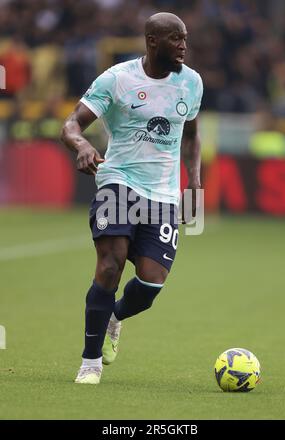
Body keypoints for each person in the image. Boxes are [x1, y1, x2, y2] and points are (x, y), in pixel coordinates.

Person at [61, 12, 203, 384]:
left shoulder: (191, 83)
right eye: (176, 38)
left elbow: (190, 136)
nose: (183, 46)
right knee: (111, 263)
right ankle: (90, 362)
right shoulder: (117, 79)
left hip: (164, 194)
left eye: (185, 38)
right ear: (153, 41)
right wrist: (81, 145)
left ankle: (114, 316)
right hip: (118, 181)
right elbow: (71, 123)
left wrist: (196, 183)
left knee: (152, 283)